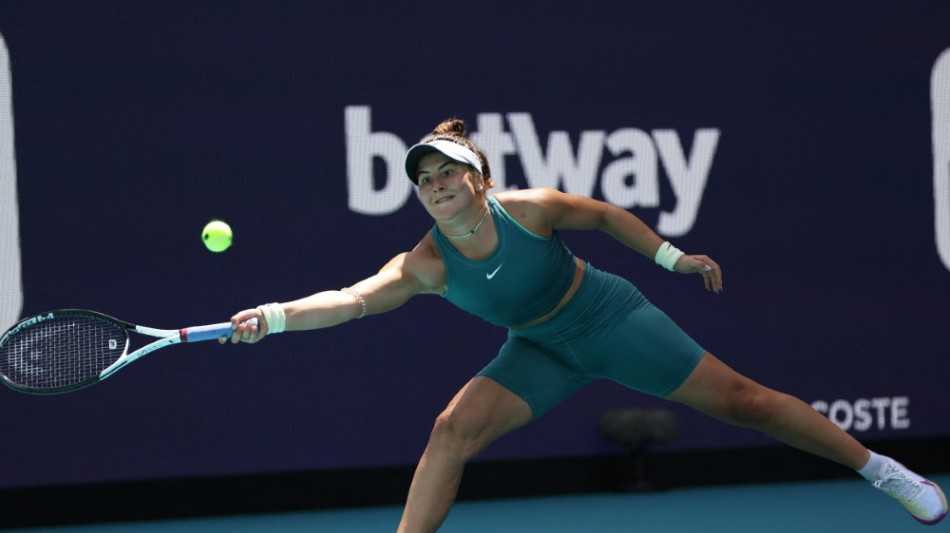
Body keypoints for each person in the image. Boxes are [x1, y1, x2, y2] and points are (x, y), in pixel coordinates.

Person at [224, 118, 948, 531]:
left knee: (747, 402)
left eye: (446, 172)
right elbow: (350, 299)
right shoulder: (424, 264)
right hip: (539, 349)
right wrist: (274, 317)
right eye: (424, 180)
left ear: (478, 177)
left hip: (607, 317)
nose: (435, 186)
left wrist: (670, 257)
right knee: (451, 429)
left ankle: (880, 469)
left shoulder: (529, 209)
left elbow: (601, 215)